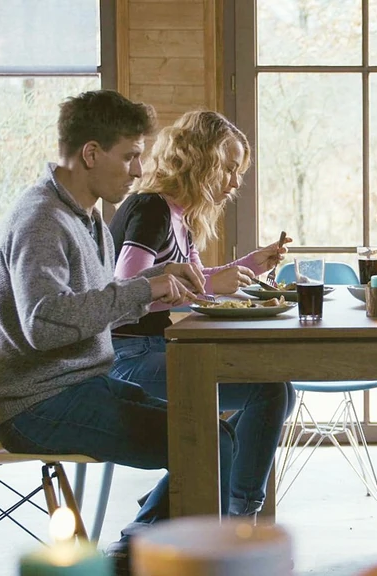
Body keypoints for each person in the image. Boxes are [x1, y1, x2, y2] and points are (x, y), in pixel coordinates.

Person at [0, 90, 232, 575]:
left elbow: (94, 306)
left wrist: (154, 281)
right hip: (38, 403)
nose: (139, 171)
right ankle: (143, 559)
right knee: (205, 443)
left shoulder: (85, 214)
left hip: (80, 384)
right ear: (91, 153)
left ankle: (137, 551)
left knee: (212, 433)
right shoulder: (42, 221)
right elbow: (45, 324)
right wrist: (145, 288)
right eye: (131, 156)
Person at [108, 109, 295, 519]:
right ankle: (236, 513)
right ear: (199, 160)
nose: (233, 182)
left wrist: (249, 264)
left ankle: (195, 505)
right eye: (227, 169)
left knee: (276, 389)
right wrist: (211, 285)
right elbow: (124, 294)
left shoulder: (181, 217)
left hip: (156, 348)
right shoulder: (151, 210)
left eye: (237, 172)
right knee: (268, 391)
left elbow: (193, 279)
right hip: (128, 357)